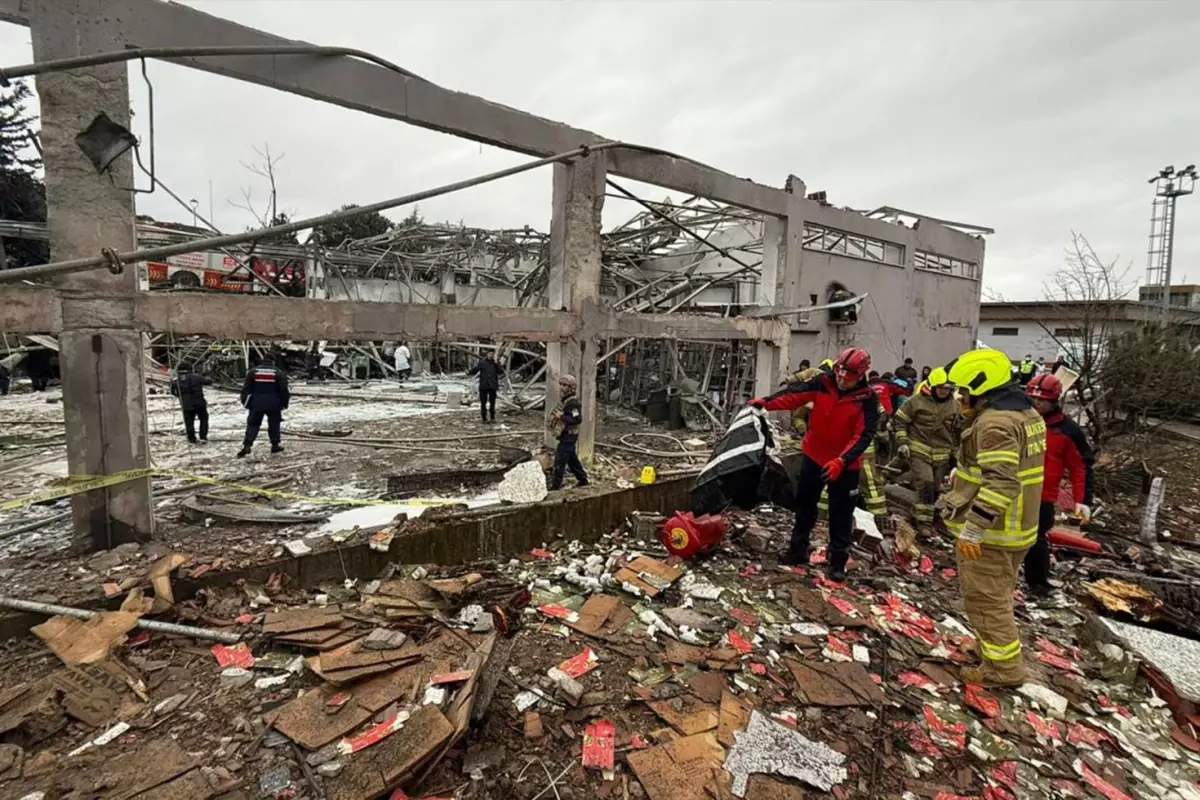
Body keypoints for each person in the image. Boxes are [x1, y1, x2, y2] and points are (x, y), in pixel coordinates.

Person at [941, 348, 1046, 688]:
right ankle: (990, 649)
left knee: (986, 600)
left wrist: (973, 529)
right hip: (1019, 528)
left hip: (994, 532)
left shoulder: (995, 424)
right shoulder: (1025, 414)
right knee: (996, 595)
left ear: (981, 387)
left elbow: (1001, 482)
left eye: (964, 390)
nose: (959, 397)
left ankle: (1002, 671)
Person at [752, 347, 878, 579]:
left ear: (860, 375)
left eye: (847, 376)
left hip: (844, 465)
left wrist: (842, 460)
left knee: (841, 514)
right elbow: (795, 395)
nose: (841, 379)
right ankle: (798, 549)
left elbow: (863, 435)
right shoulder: (823, 382)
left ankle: (837, 562)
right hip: (813, 456)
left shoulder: (868, 399)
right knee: (804, 506)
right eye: (839, 373)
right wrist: (766, 403)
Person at [1024, 374, 1093, 596]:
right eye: (1034, 399)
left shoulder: (1067, 430)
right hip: (1013, 489)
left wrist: (1082, 500)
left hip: (1043, 496)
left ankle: (1037, 583)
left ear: (1053, 401)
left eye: (1042, 400)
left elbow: (1080, 466)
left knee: (1037, 540)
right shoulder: (1018, 419)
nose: (1037, 404)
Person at [894, 367, 960, 530]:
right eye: (941, 388)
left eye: (947, 389)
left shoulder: (955, 405)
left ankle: (920, 512)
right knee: (926, 482)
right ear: (932, 387)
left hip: (942, 454)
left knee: (936, 488)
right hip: (918, 449)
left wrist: (958, 454)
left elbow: (958, 431)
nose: (944, 392)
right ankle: (923, 523)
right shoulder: (915, 402)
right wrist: (902, 442)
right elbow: (900, 421)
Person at [237, 354, 290, 457]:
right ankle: (275, 445)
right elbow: (284, 391)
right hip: (274, 404)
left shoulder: (253, 372)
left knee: (253, 424)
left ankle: (247, 444)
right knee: (274, 424)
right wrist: (284, 403)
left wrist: (246, 402)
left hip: (256, 403)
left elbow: (246, 389)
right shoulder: (278, 373)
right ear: (273, 361)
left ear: (263, 360)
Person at [549, 374, 589, 489]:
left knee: (559, 462)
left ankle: (555, 487)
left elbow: (577, 419)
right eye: (561, 384)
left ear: (571, 387)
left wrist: (561, 416)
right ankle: (583, 481)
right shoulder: (566, 400)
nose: (562, 387)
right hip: (566, 436)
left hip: (569, 437)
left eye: (565, 385)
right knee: (572, 461)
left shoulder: (573, 403)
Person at [170, 362, 211, 444]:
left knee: (189, 422)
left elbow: (172, 392)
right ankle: (203, 437)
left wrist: (180, 396)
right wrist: (207, 376)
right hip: (199, 403)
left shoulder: (175, 380)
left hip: (186, 404)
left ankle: (191, 439)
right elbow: (208, 382)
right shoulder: (196, 377)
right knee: (203, 419)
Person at [467, 350, 505, 424]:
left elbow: (500, 371)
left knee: (492, 403)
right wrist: (469, 372)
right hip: (484, 385)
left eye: (492, 354)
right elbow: (476, 369)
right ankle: (484, 418)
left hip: (492, 386)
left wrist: (497, 364)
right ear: (487, 355)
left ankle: (492, 418)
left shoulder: (495, 364)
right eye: (490, 354)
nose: (491, 355)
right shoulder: (482, 363)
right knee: (483, 403)